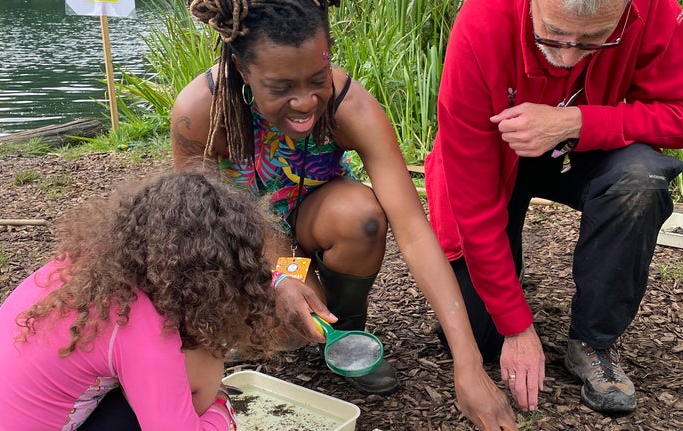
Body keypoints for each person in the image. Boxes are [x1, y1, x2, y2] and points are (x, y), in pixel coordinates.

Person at [171, 0, 519, 428]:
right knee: (281, 332)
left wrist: (469, 363)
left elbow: (413, 229)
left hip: (314, 220)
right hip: (246, 240)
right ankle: (281, 319)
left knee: (362, 214)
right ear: (243, 72)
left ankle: (348, 332)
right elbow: (196, 229)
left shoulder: (349, 107)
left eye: (318, 79)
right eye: (280, 88)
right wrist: (279, 275)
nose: (304, 103)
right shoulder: (200, 114)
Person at [425, 0, 683, 415]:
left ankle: (592, 342)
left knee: (641, 180)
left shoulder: (656, 9)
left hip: (585, 150)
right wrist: (516, 325)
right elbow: (472, 202)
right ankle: (508, 278)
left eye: (596, 40)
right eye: (552, 36)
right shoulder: (483, 19)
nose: (568, 57)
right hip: (494, 155)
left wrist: (577, 122)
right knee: (480, 336)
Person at [0, 171, 280, 430]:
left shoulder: (88, 264)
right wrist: (221, 404)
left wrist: (278, 280)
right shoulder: (143, 328)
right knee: (203, 355)